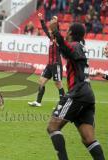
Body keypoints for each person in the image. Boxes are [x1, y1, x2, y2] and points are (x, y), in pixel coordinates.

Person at [47, 18, 105, 160]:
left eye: (67, 31)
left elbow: (67, 49)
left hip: (78, 93)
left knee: (53, 127)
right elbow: (65, 50)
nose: (66, 33)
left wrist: (56, 31)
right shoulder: (80, 46)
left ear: (71, 32)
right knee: (88, 138)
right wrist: (55, 34)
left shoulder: (75, 46)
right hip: (87, 95)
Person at [28, 13, 65, 107]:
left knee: (58, 83)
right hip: (49, 64)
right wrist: (41, 20)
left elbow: (56, 30)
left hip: (56, 64)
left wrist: (55, 20)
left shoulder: (58, 37)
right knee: (41, 81)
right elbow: (45, 29)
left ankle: (62, 103)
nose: (49, 30)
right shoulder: (51, 37)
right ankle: (38, 102)